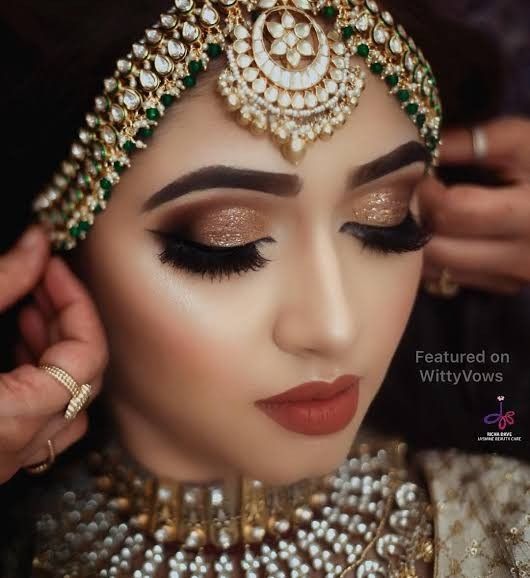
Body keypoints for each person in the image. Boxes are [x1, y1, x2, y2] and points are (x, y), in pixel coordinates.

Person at [0, 1, 528, 577]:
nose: (334, 325)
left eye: (385, 219)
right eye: (226, 240)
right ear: (55, 251)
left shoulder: (507, 530)